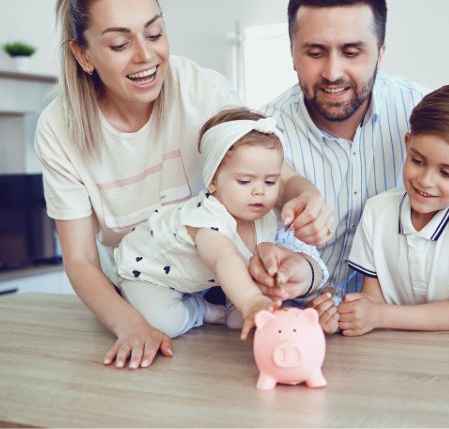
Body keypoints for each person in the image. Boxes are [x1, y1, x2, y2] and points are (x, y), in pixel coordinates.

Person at [35, 0, 333, 371]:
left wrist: (305, 196)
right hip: (144, 286)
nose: (146, 55)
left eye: (155, 33)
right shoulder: (59, 129)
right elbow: (81, 258)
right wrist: (132, 326)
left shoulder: (202, 90)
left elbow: (273, 175)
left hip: (218, 279)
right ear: (83, 55)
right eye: (120, 45)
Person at [255, 0, 449, 335]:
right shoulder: (263, 133)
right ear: (293, 53)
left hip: (410, 331)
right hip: (301, 331)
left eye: (352, 52)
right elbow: (267, 242)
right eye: (315, 52)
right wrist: (301, 287)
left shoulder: (421, 110)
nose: (333, 72)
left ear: (380, 53)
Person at [113, 109, 325, 339]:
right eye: (245, 181)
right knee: (165, 324)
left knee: (238, 320)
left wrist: (268, 292)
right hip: (146, 273)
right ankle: (199, 310)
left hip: (201, 278)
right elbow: (223, 258)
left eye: (271, 181)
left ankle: (228, 306)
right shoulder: (207, 217)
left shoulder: (267, 219)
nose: (259, 191)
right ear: (212, 180)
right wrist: (252, 301)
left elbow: (248, 264)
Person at [334, 84, 449, 335]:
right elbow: (373, 296)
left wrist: (379, 315)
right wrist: (353, 313)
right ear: (407, 143)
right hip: (390, 348)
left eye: (446, 173)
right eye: (417, 161)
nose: (425, 180)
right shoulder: (377, 210)